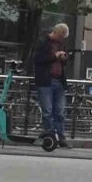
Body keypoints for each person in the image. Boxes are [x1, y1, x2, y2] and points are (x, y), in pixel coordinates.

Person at [31, 22, 71, 152]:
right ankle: (51, 136)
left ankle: (61, 137)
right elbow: (37, 59)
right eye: (61, 37)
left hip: (58, 80)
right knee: (47, 111)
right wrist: (54, 57)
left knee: (59, 111)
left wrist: (64, 58)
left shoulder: (62, 44)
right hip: (45, 81)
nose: (62, 40)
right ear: (56, 33)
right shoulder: (42, 42)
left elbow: (64, 62)